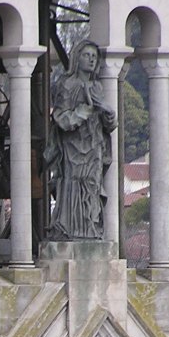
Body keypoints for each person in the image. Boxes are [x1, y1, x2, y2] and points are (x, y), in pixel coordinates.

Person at [45, 39, 116, 241]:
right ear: (77, 58)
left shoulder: (97, 87)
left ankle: (90, 229)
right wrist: (83, 112)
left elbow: (106, 124)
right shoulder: (67, 85)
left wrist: (109, 116)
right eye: (87, 55)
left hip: (94, 147)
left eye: (94, 56)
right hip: (73, 148)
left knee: (92, 187)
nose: (91, 59)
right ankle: (69, 229)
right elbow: (60, 118)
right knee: (73, 185)